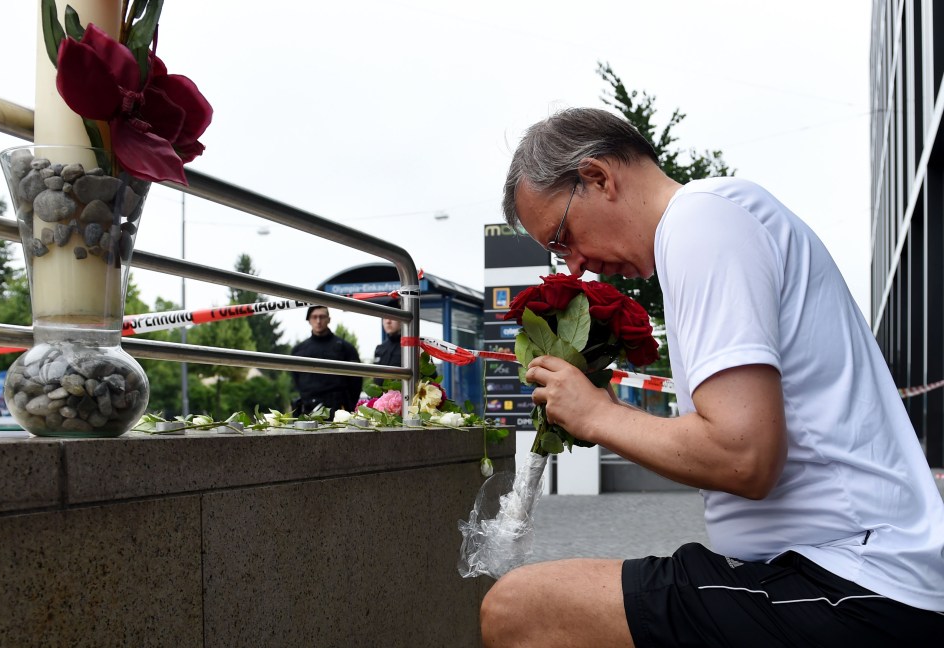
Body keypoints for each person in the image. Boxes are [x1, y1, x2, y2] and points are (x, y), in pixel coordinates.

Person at [481, 107, 944, 647]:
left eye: (561, 237)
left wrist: (600, 416)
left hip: (858, 582)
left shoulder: (701, 224)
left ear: (598, 177)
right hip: (837, 571)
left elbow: (743, 456)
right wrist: (606, 414)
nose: (574, 266)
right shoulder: (716, 219)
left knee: (519, 609)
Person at [290, 305, 362, 414]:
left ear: (329, 319)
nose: (318, 321)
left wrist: (349, 407)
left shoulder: (346, 348)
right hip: (308, 411)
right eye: (314, 317)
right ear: (309, 320)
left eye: (322, 316)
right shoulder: (299, 351)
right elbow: (296, 381)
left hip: (338, 411)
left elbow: (356, 382)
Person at [372, 300, 402, 385]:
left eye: (392, 316)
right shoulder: (380, 348)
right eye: (385, 317)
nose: (388, 321)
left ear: (402, 319)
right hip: (381, 397)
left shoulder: (412, 348)